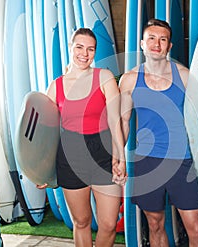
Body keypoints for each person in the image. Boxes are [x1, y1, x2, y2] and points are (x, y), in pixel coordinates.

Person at [119, 19, 198, 247]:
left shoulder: (184, 77)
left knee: (195, 228)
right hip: (147, 161)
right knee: (154, 224)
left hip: (182, 161)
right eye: (151, 38)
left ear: (169, 46)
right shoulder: (130, 80)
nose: (156, 44)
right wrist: (118, 158)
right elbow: (123, 122)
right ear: (142, 43)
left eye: (162, 39)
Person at [38, 28, 127, 247]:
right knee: (82, 221)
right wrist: (39, 170)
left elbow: (115, 119)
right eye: (79, 47)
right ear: (71, 48)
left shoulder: (104, 77)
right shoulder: (55, 86)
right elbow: (45, 135)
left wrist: (120, 157)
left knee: (108, 223)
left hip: (102, 153)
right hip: (70, 157)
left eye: (90, 49)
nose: (84, 54)